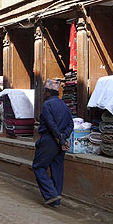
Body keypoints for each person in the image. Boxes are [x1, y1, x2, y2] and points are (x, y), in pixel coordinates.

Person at [32, 79, 74, 208]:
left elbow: (50, 124)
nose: (44, 94)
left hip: (49, 140)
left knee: (38, 166)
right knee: (57, 169)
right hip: (59, 141)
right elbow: (70, 124)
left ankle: (51, 194)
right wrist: (63, 137)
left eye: (45, 92)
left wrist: (59, 138)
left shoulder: (47, 105)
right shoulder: (64, 106)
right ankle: (56, 198)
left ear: (49, 92)